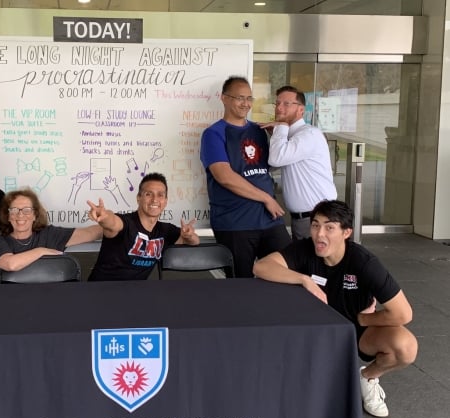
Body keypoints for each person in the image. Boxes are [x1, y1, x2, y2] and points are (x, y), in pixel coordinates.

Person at [252, 200, 417, 418]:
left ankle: (367, 377)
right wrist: (304, 280)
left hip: (358, 331)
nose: (320, 234)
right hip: (317, 331)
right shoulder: (303, 249)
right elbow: (261, 266)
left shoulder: (363, 262)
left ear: (346, 232)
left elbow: (403, 313)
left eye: (330, 227)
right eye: (315, 225)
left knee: (405, 348)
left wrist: (363, 320)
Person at [200, 76, 291, 278]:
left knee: (288, 274)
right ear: (224, 98)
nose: (246, 104)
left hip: (270, 220)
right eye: (240, 98)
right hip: (235, 223)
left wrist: (279, 132)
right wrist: (267, 198)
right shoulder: (213, 134)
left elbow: (270, 166)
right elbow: (224, 176)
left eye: (249, 98)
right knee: (240, 285)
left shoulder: (259, 131)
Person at [87, 172, 199, 281]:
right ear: (138, 198)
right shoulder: (126, 223)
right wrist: (104, 216)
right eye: (148, 194)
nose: (155, 199)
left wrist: (189, 236)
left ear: (165, 201)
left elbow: (195, 241)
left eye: (160, 195)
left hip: (136, 293)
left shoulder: (166, 230)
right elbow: (113, 222)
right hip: (101, 291)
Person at [260, 85, 337, 240]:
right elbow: (271, 165)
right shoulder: (288, 135)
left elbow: (276, 158)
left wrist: (281, 127)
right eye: (277, 104)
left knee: (320, 263)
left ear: (301, 110)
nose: (279, 108)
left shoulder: (309, 134)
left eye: (287, 104)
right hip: (303, 220)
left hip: (318, 219)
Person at [0, 189, 102, 275]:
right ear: (8, 216)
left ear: (35, 215)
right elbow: (11, 264)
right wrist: (41, 251)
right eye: (14, 210)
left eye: (27, 210)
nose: (20, 215)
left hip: (49, 297)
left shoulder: (50, 234)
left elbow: (92, 233)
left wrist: (106, 219)